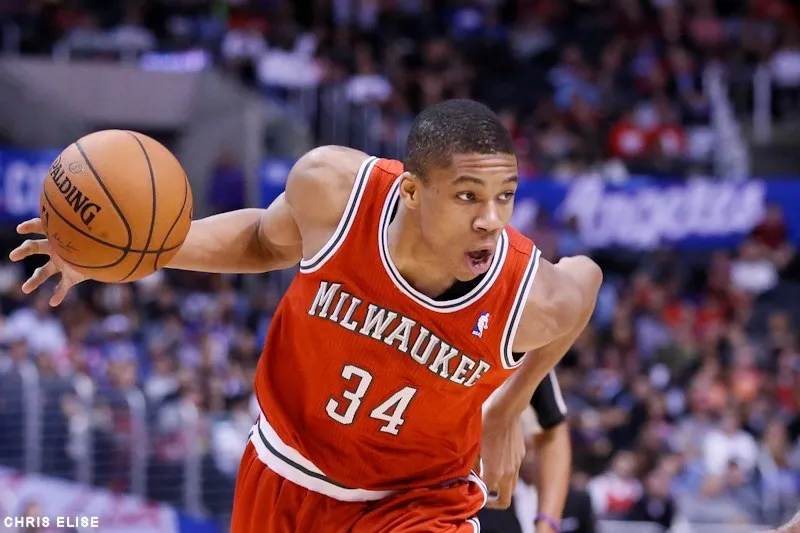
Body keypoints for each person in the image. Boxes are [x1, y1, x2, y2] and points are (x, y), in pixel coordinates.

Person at [11, 99, 603, 532]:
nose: (491, 220)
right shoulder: (335, 193)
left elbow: (587, 282)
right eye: (468, 196)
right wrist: (133, 254)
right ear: (411, 192)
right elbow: (263, 242)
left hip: (418, 501)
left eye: (505, 196)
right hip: (285, 471)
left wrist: (510, 404)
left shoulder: (528, 294)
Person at [479, 370, 596, 533]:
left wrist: (547, 524)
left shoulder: (578, 499)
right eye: (528, 448)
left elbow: (554, 427)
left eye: (534, 448)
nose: (530, 457)